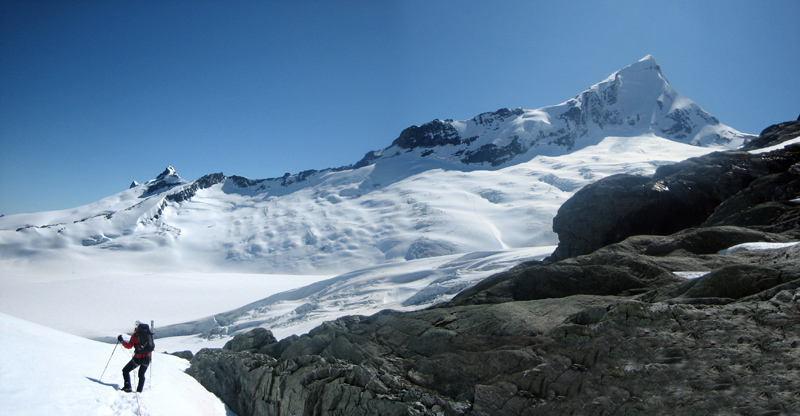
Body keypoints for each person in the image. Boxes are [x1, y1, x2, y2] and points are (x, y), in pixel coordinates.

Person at [118, 321, 153, 393]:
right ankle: (139, 391)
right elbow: (152, 346)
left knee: (125, 370)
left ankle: (128, 388)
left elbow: (129, 346)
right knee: (141, 374)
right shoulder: (149, 335)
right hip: (147, 358)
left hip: (138, 358)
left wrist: (121, 340)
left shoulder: (135, 335)